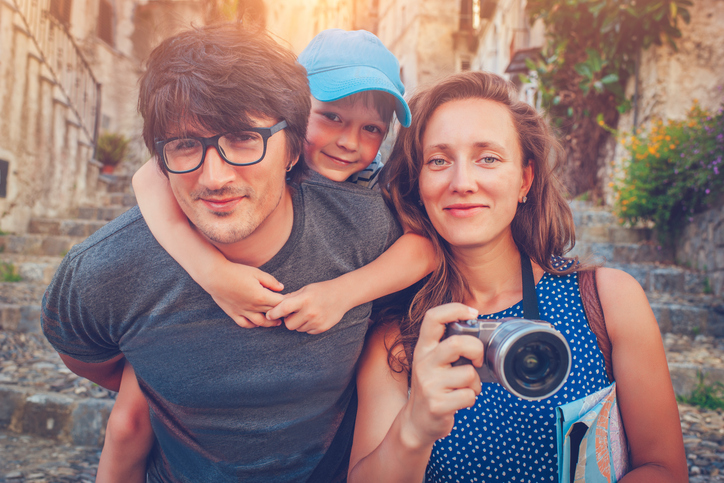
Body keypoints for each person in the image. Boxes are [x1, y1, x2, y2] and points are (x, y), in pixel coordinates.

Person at [41, 23, 403, 482]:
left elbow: (432, 252)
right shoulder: (105, 270)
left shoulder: (368, 227)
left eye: (243, 140)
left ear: (291, 148)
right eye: (185, 145)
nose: (214, 177)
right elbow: (89, 359)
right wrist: (160, 369)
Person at [347, 71, 688, 482]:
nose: (462, 182)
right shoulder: (397, 338)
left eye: (487, 158)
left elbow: (663, 468)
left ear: (524, 179)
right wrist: (414, 428)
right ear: (418, 183)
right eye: (438, 161)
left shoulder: (608, 300)